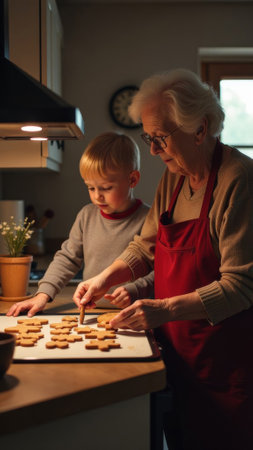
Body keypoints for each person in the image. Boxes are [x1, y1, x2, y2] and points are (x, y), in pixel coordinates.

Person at [72, 69, 253, 450]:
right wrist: (104, 278)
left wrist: (163, 309)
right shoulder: (174, 178)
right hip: (175, 354)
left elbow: (240, 287)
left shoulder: (238, 181)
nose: (153, 150)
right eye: (148, 138)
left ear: (200, 130)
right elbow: (144, 247)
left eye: (160, 138)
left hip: (224, 363)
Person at [7, 131, 154, 318]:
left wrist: (136, 289)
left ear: (132, 179)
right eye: (91, 188)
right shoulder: (86, 216)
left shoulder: (149, 219)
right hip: (91, 312)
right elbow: (67, 259)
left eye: (106, 188)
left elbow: (160, 270)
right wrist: (43, 294)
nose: (97, 196)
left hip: (134, 314)